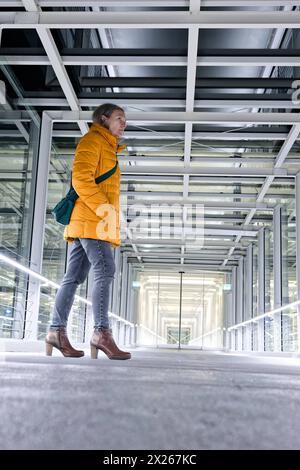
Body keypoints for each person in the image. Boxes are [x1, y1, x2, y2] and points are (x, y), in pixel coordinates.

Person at [45, 103, 131, 360]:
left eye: (124, 119)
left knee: (73, 277)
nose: (123, 123)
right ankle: (101, 333)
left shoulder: (107, 146)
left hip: (89, 220)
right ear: (103, 119)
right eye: (119, 118)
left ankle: (55, 332)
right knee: (105, 270)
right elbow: (81, 179)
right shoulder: (92, 141)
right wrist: (105, 210)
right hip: (92, 220)